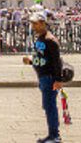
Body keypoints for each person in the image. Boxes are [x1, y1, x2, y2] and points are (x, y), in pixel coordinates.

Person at [23, 12, 64, 143]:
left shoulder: (50, 40)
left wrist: (58, 80)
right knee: (47, 106)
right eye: (32, 23)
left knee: (50, 106)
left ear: (42, 23)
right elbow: (41, 58)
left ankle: (55, 136)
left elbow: (57, 61)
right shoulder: (40, 38)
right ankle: (52, 134)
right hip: (43, 76)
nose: (33, 26)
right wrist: (30, 61)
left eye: (35, 23)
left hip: (49, 77)